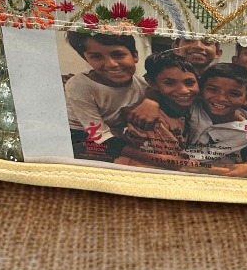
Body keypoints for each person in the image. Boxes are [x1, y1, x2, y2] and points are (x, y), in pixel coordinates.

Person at [63, 31, 148, 160]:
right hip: (80, 137)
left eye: (118, 54)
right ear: (87, 59)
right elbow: (99, 136)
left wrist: (151, 102)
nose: (111, 64)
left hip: (115, 137)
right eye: (96, 57)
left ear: (135, 56)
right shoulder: (79, 85)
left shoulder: (144, 86)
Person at [115, 52, 200, 169]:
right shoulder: (149, 118)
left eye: (189, 83)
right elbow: (174, 161)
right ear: (152, 83)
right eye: (169, 83)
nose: (183, 90)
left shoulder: (192, 108)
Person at [183, 62, 247, 176]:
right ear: (201, 89)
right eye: (213, 90)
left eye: (234, 94)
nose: (221, 98)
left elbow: (203, 155)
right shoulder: (190, 104)